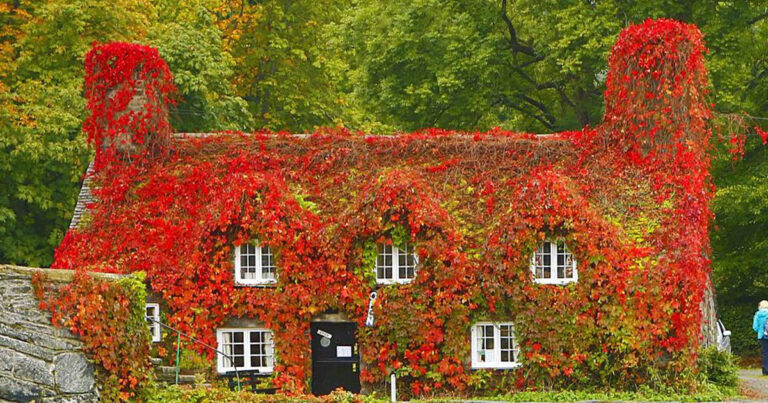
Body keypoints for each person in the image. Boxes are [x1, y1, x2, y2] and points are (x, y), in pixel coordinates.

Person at [753, 300, 768, 375]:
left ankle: (765, 370)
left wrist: (760, 331)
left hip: (762, 336)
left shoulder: (757, 314)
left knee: (765, 352)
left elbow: (755, 327)